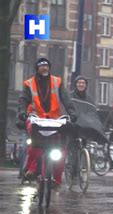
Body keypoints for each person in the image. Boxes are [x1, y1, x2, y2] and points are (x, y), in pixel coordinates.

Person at [17, 57, 77, 187]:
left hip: (54, 120)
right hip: (36, 118)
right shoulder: (29, 83)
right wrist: (22, 111)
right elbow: (23, 99)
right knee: (35, 143)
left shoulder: (57, 81)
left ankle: (56, 179)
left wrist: (71, 112)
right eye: (42, 66)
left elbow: (66, 98)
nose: (45, 68)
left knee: (61, 148)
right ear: (37, 68)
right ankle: (32, 169)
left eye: (46, 66)